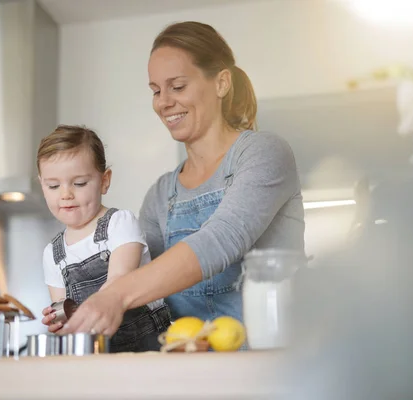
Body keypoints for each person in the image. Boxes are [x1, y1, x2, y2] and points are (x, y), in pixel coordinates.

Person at [59, 21, 305, 338]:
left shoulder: (263, 153)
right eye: (156, 91)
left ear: (221, 83)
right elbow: (142, 286)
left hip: (272, 366)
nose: (163, 102)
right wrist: (80, 309)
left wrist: (116, 295)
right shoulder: (161, 194)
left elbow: (221, 239)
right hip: (191, 367)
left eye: (177, 87)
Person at [37, 125, 171, 352]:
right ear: (42, 185)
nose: (65, 194)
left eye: (79, 183)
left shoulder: (119, 224)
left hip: (148, 348)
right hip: (97, 356)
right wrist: (60, 321)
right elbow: (64, 312)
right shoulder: (53, 254)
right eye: (53, 185)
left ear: (105, 181)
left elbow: (118, 282)